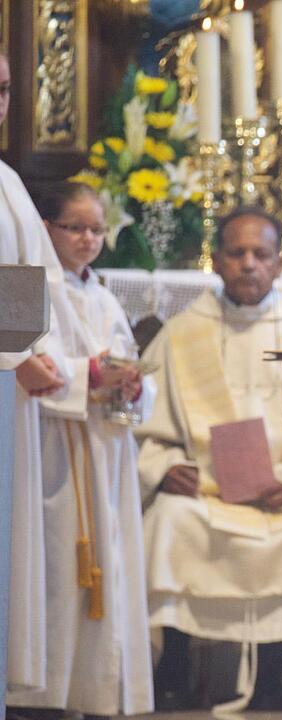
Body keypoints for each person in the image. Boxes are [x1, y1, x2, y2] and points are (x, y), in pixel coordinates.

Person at [136, 207, 282, 710]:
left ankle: (276, 673)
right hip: (205, 492)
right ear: (216, 262)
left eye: (260, 254)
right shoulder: (181, 333)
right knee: (168, 524)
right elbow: (141, 425)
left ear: (280, 264)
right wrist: (164, 467)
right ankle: (172, 667)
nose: (248, 264)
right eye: (236, 252)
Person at [7, 183, 155, 716]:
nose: (89, 239)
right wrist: (86, 377)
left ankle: (94, 694)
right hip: (57, 453)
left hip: (105, 453)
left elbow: (131, 360)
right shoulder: (42, 289)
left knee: (108, 575)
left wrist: (135, 386)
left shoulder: (104, 296)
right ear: (48, 230)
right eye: (77, 227)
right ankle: (47, 695)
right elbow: (29, 367)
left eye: (97, 229)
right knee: (56, 577)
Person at [0, 48, 87, 698]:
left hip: (12, 402)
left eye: (3, 90)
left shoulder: (5, 183)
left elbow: (42, 293)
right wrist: (12, 357)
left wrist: (38, 357)